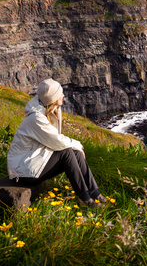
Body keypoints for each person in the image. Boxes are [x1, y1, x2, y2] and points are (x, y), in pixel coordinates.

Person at [7, 78, 105, 208]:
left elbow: (55, 140)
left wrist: (76, 147)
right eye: (60, 93)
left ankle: (94, 192)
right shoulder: (36, 119)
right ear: (52, 99)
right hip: (21, 172)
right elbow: (57, 141)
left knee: (73, 152)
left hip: (34, 161)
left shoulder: (49, 109)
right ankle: (85, 199)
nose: (63, 95)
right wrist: (79, 144)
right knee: (67, 152)